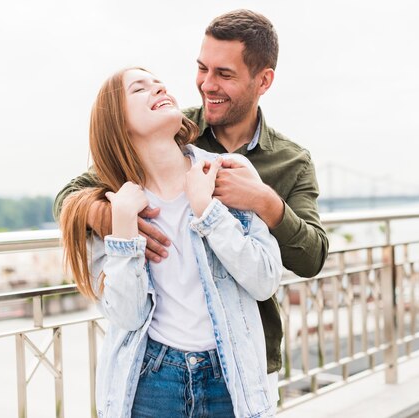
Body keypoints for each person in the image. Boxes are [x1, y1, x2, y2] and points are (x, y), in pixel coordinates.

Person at [54, 9, 329, 399]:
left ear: (263, 80)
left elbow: (311, 257)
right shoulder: (168, 130)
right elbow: (70, 196)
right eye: (203, 68)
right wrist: (116, 219)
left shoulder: (291, 161)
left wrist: (263, 201)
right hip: (159, 368)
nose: (206, 84)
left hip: (248, 359)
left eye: (225, 74)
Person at [60, 67, 283, 417]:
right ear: (117, 122)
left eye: (158, 82)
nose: (158, 87)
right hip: (150, 382)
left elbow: (265, 279)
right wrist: (122, 232)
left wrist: (208, 211)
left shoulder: (227, 171)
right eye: (139, 88)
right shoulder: (112, 204)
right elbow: (127, 316)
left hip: (230, 377)